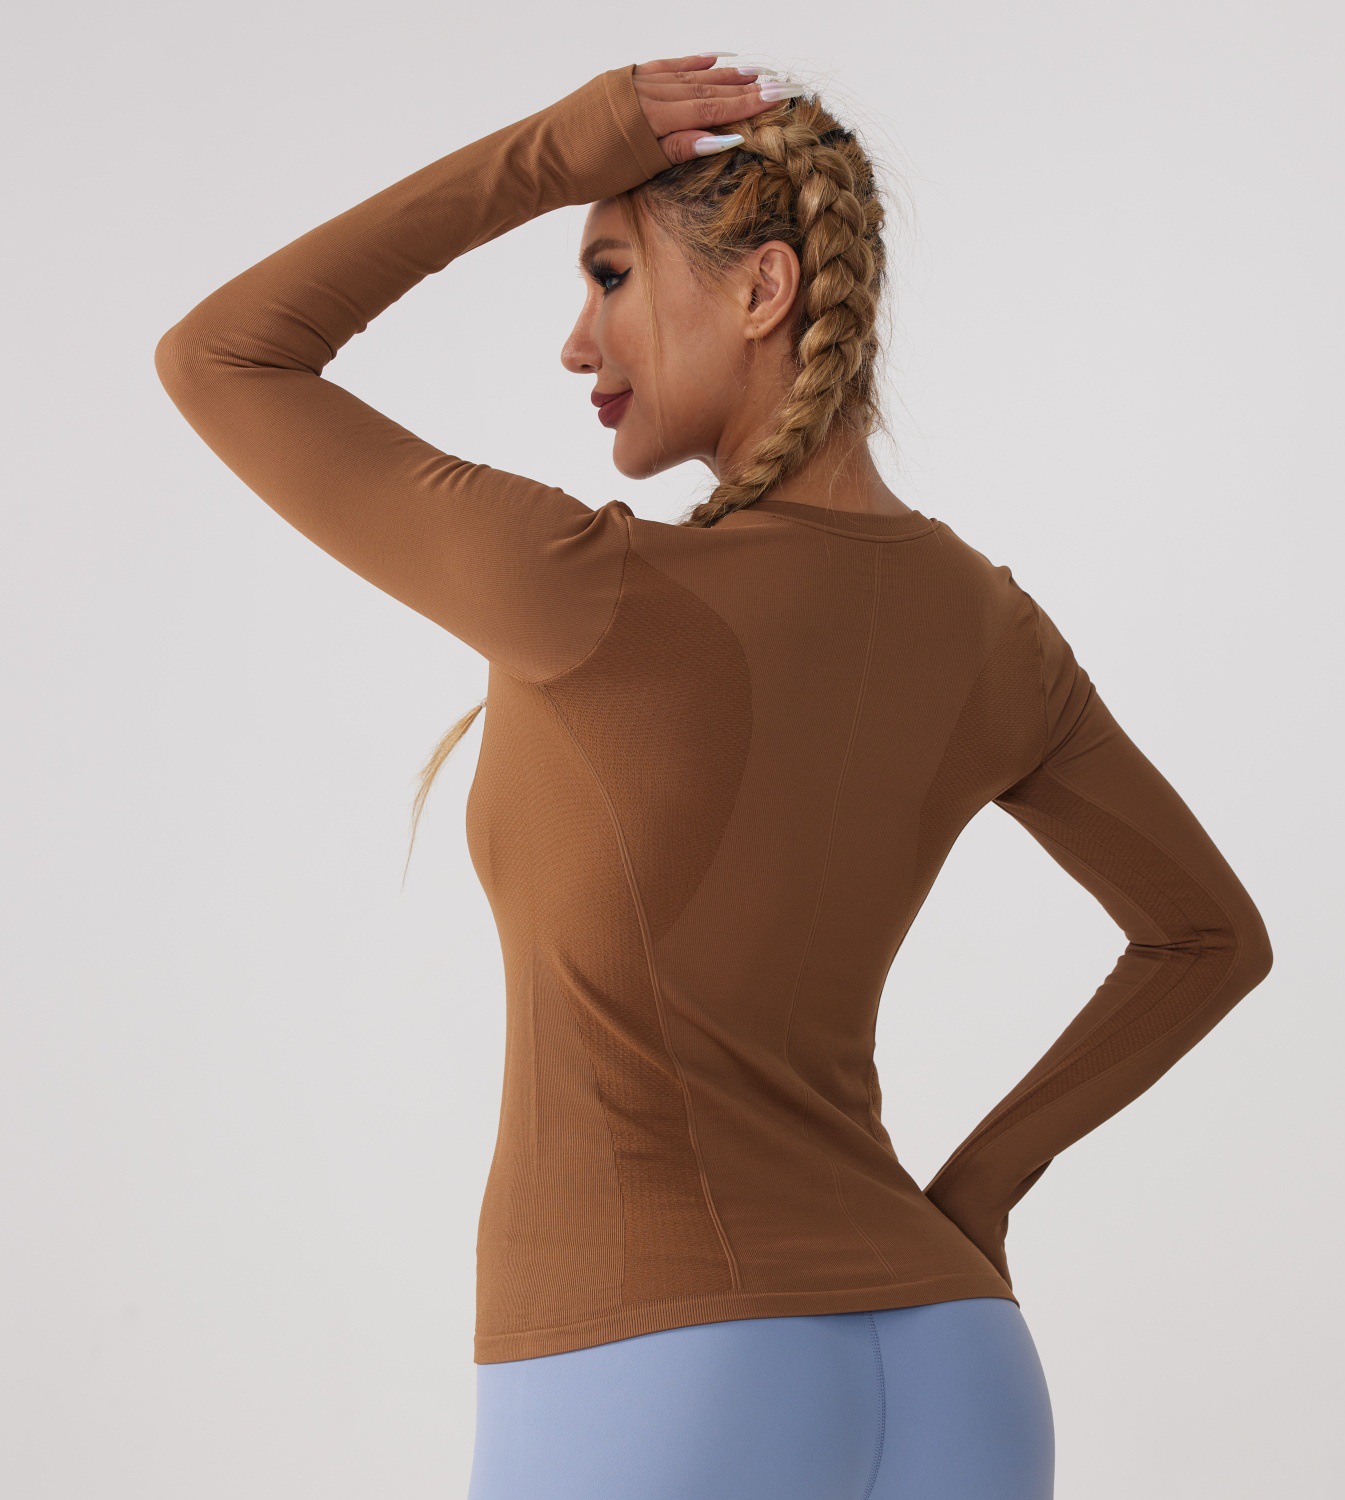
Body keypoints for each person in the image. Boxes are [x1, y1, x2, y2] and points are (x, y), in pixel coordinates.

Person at [154, 50, 1273, 1500]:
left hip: (653, 1371)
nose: (578, 343)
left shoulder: (585, 590)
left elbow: (220, 356)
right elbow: (1208, 938)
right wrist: (977, 1198)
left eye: (610, 275)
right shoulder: (992, 627)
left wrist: (550, 153)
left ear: (765, 290)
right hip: (960, 1362)